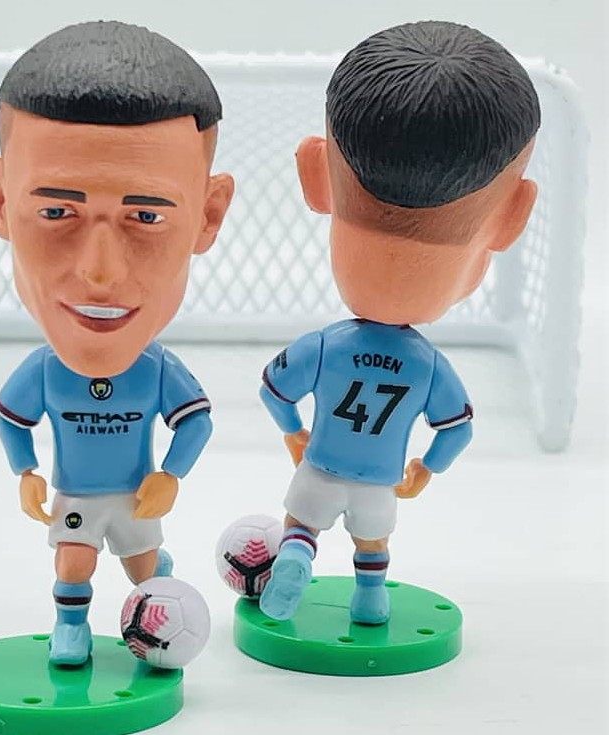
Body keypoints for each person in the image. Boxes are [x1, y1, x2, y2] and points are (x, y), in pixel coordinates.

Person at [258, 21, 540, 623]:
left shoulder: (329, 345)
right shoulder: (426, 365)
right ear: (512, 218)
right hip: (380, 479)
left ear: (316, 175)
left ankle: (296, 554)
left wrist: (293, 431)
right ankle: (369, 597)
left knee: (299, 524)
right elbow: (457, 430)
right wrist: (425, 469)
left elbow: (274, 389)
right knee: (373, 544)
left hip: (320, 465)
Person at [0, 21, 234, 664]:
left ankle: (159, 602)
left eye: (146, 216)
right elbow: (12, 420)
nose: (100, 273)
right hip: (74, 495)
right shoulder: (44, 371)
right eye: (56, 212)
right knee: (73, 565)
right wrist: (25, 472)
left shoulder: (157, 369)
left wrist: (171, 476)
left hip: (135, 495)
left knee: (143, 568)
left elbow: (196, 421)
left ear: (208, 215)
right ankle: (71, 629)